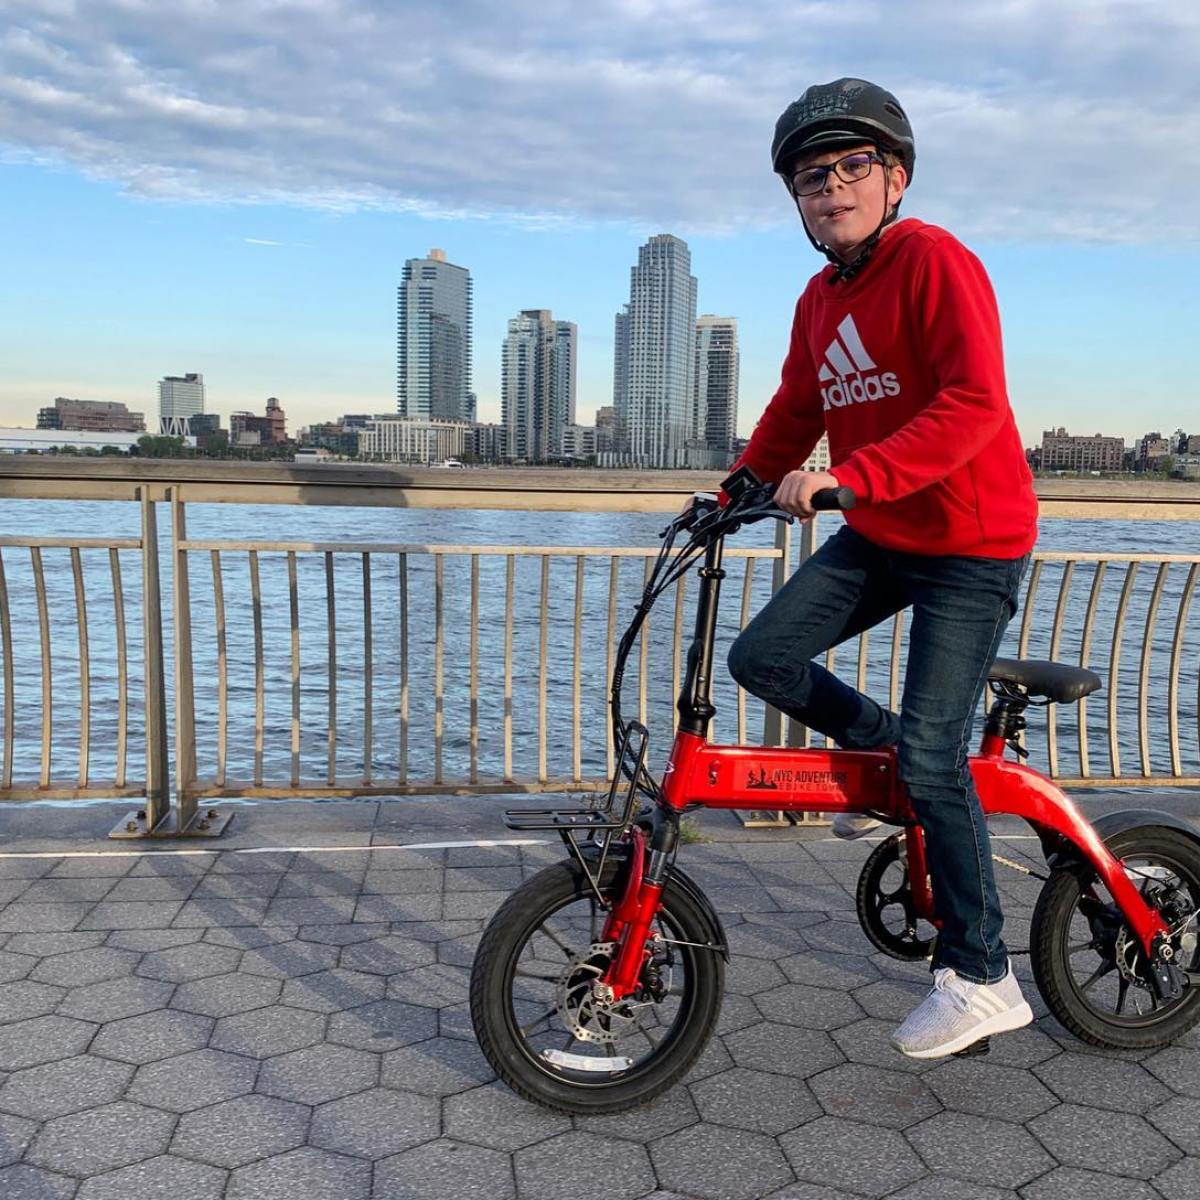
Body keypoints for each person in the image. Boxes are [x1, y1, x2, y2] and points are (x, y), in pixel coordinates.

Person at [725, 78, 1039, 1058]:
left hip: (970, 544)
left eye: (851, 166)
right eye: (809, 177)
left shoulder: (933, 261)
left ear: (893, 177)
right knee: (762, 658)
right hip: (885, 529)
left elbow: (973, 403)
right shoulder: (820, 301)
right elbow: (795, 412)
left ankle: (982, 973)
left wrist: (852, 479)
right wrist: (736, 487)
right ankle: (905, 751)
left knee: (936, 757)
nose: (829, 188)